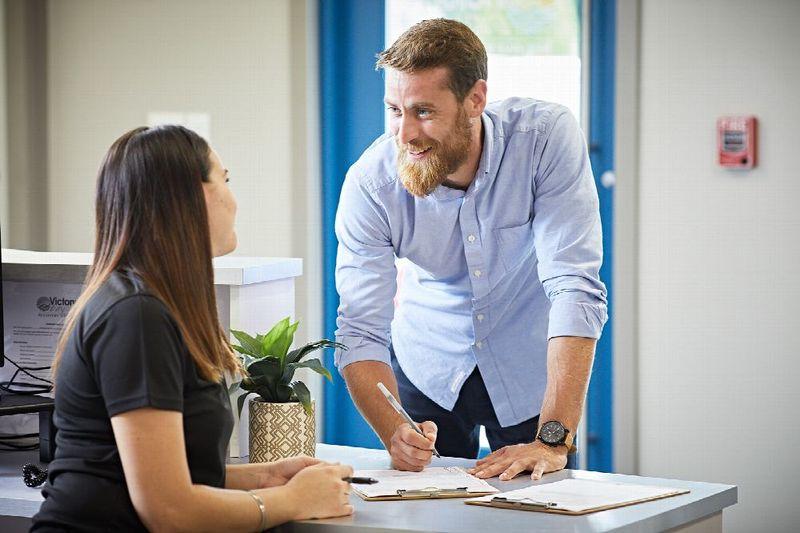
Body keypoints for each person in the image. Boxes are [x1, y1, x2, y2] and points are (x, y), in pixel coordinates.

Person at [32, 126, 353, 532]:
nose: (235, 201)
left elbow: (153, 477)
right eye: (226, 179)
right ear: (195, 195)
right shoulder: (137, 315)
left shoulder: (148, 303)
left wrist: (263, 477)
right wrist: (290, 500)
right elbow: (168, 511)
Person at [334, 18, 607, 481]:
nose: (404, 134)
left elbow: (574, 288)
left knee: (541, 510)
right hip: (428, 366)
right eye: (395, 111)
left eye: (424, 111)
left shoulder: (544, 139)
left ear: (475, 100)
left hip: (528, 371)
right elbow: (360, 330)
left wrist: (552, 440)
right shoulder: (371, 183)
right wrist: (393, 432)